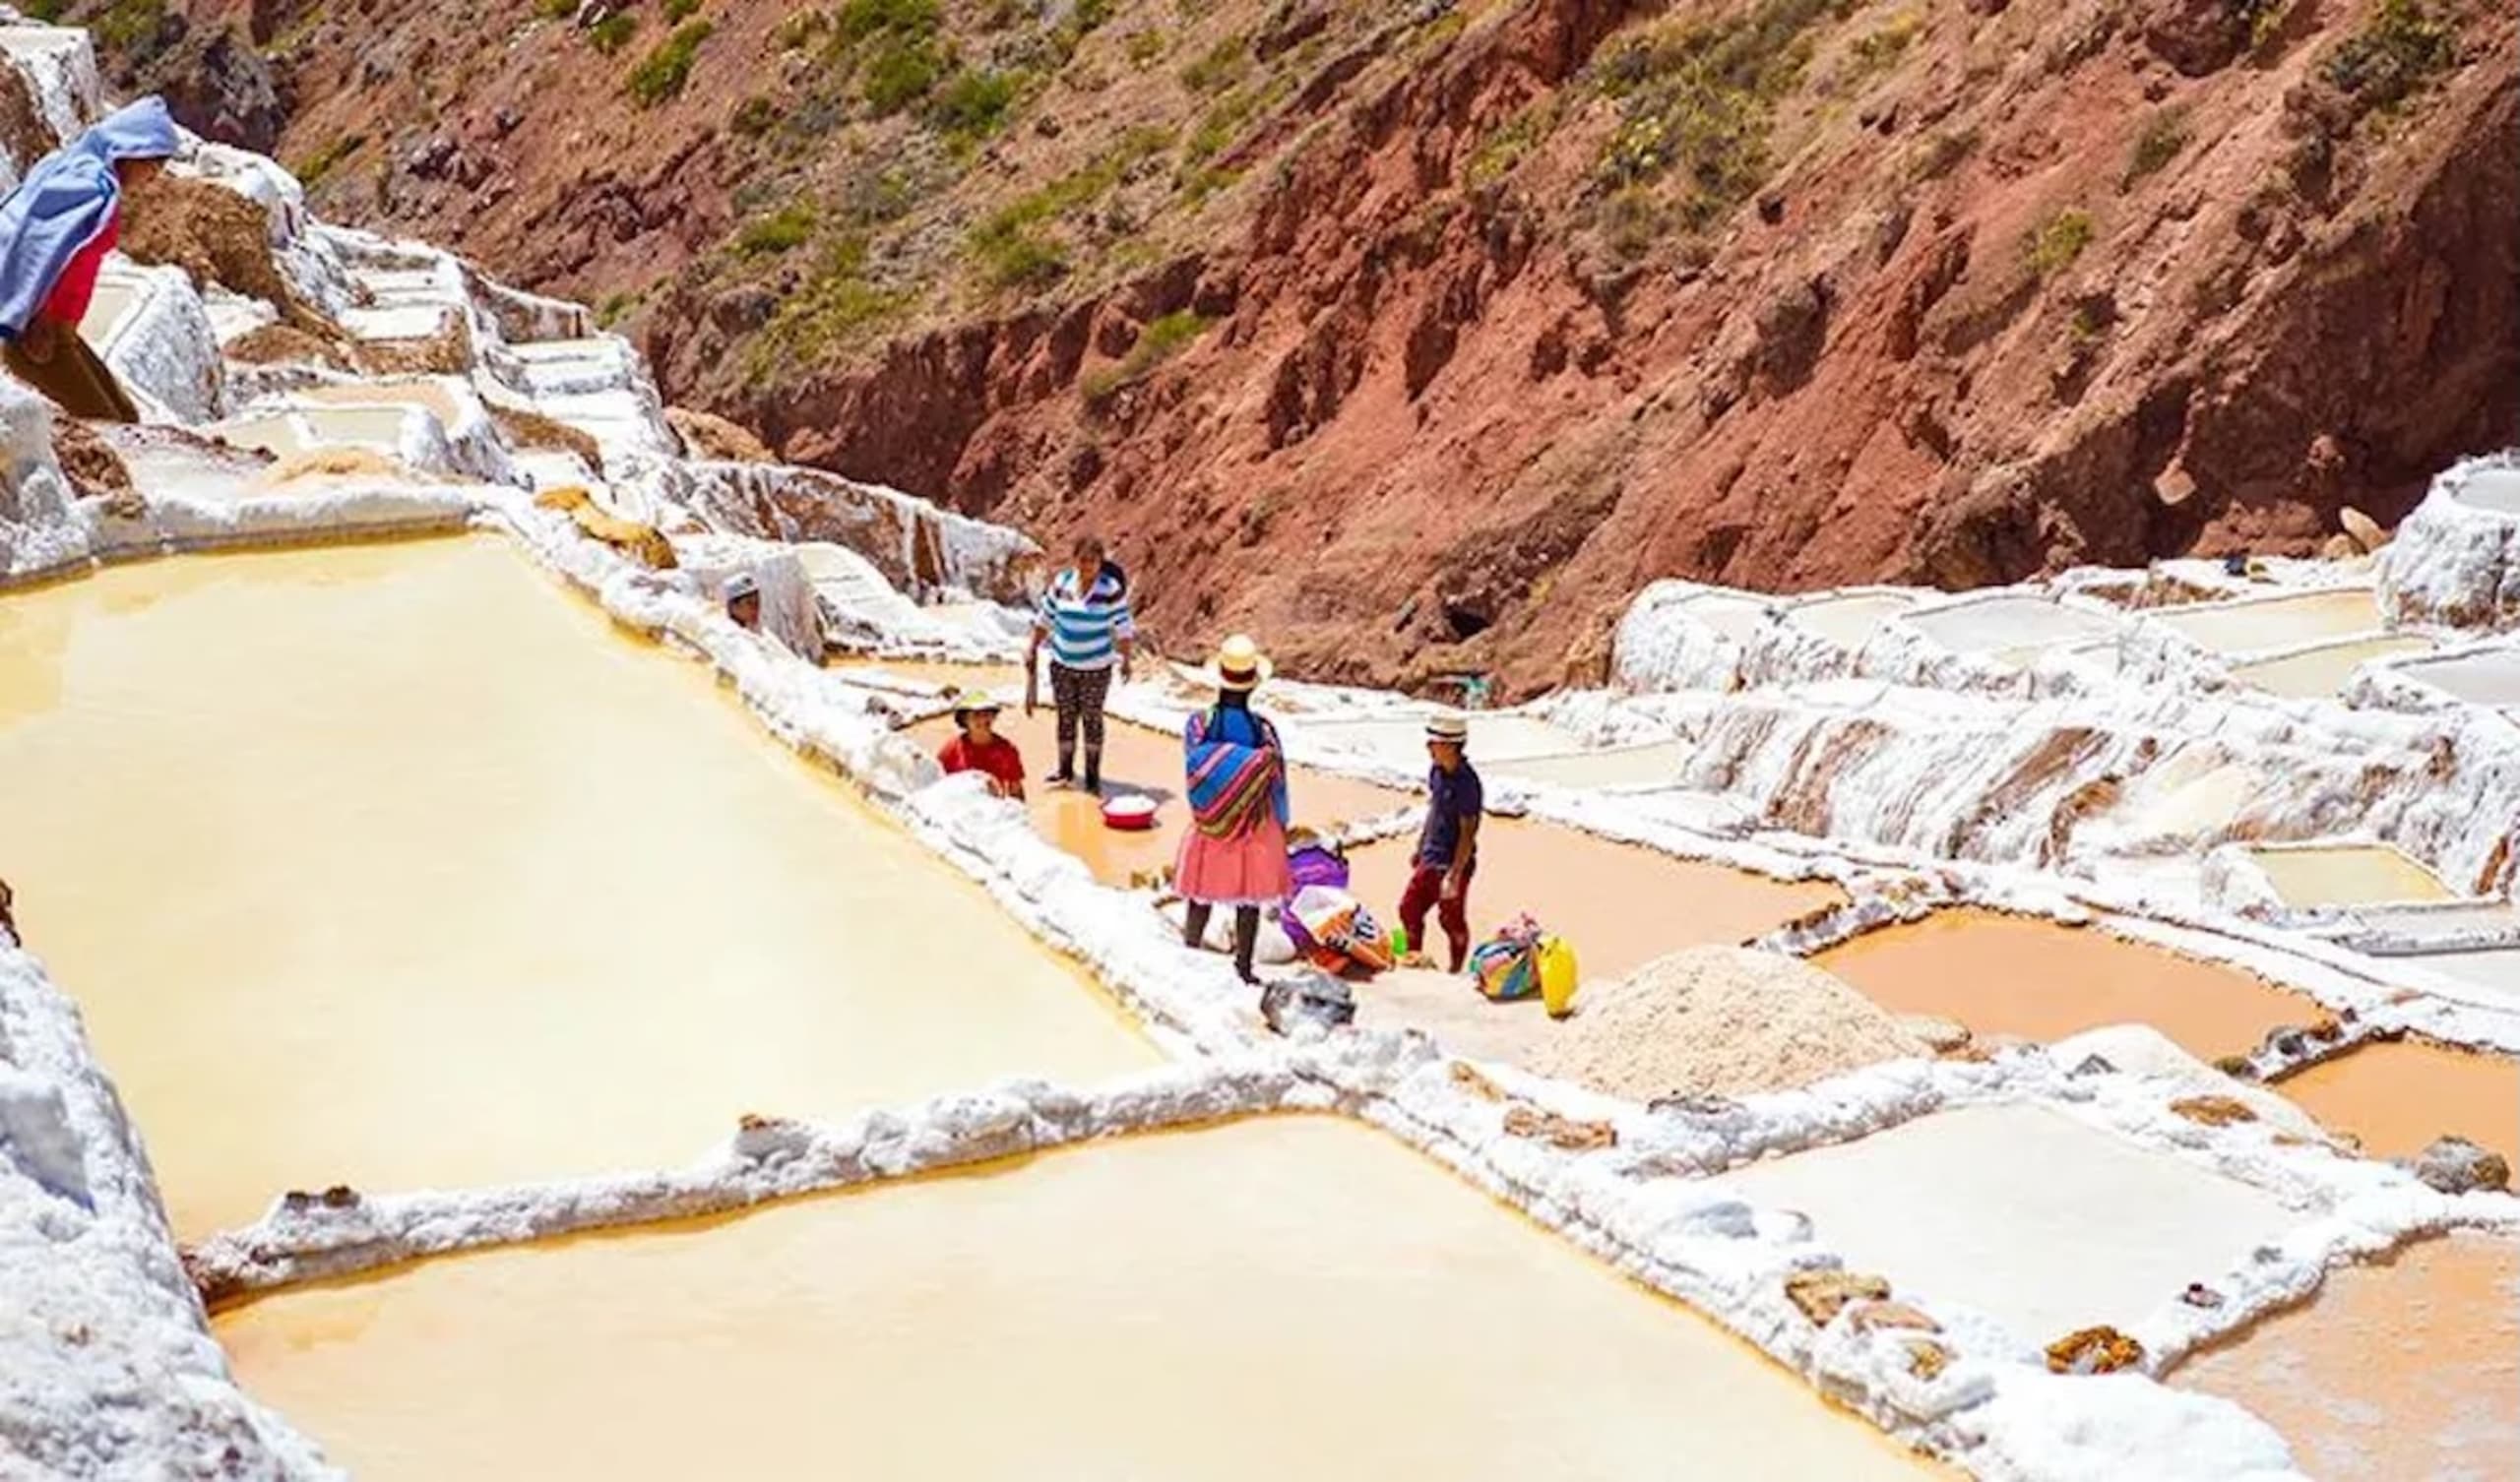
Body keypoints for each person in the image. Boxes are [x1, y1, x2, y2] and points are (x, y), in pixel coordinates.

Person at [0, 96, 179, 422]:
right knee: (108, 425)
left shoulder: (85, 174)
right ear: (131, 150)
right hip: (39, 331)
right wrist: (32, 316)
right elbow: (39, 245)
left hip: (60, 329)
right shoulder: (87, 184)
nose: (155, 174)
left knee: (126, 417)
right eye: (153, 162)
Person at [1177, 635, 1292, 986]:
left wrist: (1218, 801)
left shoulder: (1199, 725)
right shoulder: (1264, 731)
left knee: (1201, 894)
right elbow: (1277, 784)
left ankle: (1188, 956)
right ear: (1253, 685)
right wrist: (1282, 822)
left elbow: (1195, 769)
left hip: (1211, 821)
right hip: (1255, 826)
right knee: (1248, 900)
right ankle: (1243, 967)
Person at [1026, 533, 1133, 794]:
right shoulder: (1062, 583)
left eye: (1092, 561)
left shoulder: (1109, 589)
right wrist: (1032, 647)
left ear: (1100, 563)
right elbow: (1045, 617)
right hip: (1062, 664)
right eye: (1083, 560)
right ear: (1075, 560)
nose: (1087, 566)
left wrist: (1126, 660)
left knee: (1092, 718)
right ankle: (1065, 770)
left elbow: (1123, 626)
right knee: (1066, 716)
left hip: (1096, 668)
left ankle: (1093, 777)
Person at [1399, 713, 1482, 973]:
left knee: (1451, 920)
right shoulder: (1436, 771)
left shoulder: (1468, 784)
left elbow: (1469, 831)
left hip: (1451, 863)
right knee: (1409, 909)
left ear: (1450, 745)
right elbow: (1434, 810)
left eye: (1433, 743)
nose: (1428, 748)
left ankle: (1455, 970)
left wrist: (1454, 875)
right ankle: (1414, 958)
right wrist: (1421, 845)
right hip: (1430, 856)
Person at [936, 693, 1026, 800]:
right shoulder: (951, 749)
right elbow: (937, 782)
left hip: (994, 806)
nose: (983, 720)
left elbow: (1016, 789)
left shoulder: (1006, 749)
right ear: (965, 720)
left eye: (987, 714)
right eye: (976, 715)